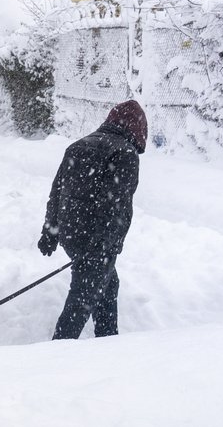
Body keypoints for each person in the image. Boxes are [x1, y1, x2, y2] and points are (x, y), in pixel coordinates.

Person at [39, 99, 146, 340]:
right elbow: (117, 206)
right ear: (137, 130)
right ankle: (55, 353)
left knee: (108, 285)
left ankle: (107, 339)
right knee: (81, 300)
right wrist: (105, 244)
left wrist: (50, 231)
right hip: (96, 240)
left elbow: (57, 192)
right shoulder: (124, 153)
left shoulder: (78, 146)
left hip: (71, 234)